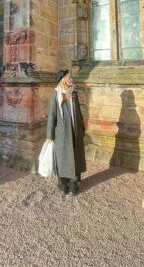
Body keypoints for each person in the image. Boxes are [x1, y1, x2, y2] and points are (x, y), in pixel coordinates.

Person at [46, 69, 87, 197]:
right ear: (63, 79)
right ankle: (63, 184)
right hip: (62, 133)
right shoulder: (56, 95)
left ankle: (74, 183)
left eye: (71, 78)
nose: (71, 80)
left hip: (75, 131)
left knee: (75, 156)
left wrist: (82, 128)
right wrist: (49, 136)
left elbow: (79, 113)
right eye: (69, 78)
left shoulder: (74, 94)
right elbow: (52, 116)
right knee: (62, 157)